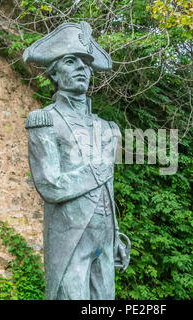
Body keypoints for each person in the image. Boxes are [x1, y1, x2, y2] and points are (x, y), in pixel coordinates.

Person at [23, 21, 130, 300]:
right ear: (55, 74)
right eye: (71, 61)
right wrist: (97, 171)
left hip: (104, 239)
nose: (82, 69)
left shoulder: (105, 128)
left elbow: (108, 189)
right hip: (69, 237)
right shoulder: (45, 120)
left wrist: (114, 233)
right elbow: (50, 185)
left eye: (86, 64)